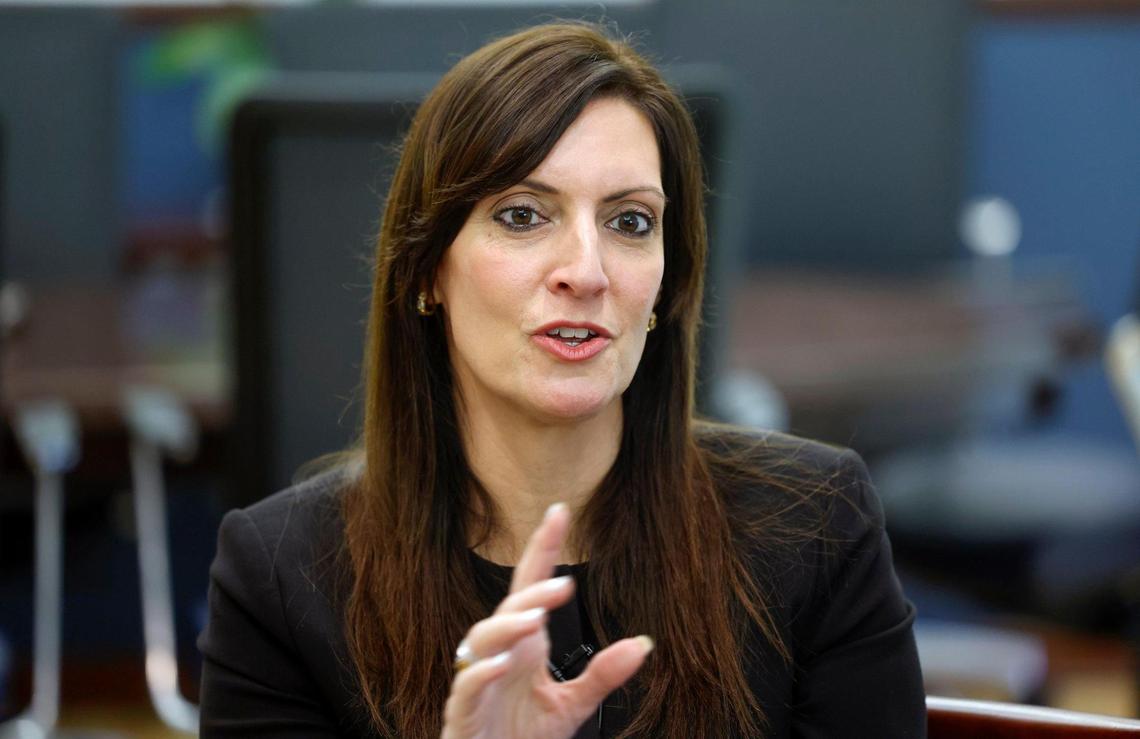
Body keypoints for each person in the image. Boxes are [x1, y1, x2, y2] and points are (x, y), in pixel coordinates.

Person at [198, 21, 925, 738]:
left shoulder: (815, 526)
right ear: (427, 270)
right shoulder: (282, 578)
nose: (586, 271)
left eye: (630, 222)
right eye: (523, 215)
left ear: (667, 284)